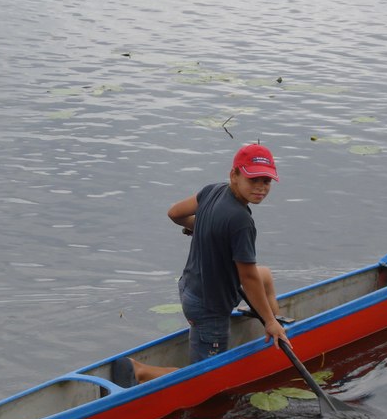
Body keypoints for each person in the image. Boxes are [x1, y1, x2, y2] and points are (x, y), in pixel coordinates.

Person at [124, 144, 290, 384]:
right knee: (206, 376)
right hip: (209, 307)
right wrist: (270, 322)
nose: (261, 188)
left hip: (191, 285)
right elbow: (247, 277)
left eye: (266, 181)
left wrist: (202, 228)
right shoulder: (241, 221)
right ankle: (140, 371)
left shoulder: (213, 191)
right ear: (234, 175)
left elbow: (175, 213)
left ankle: (274, 323)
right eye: (253, 179)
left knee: (265, 275)